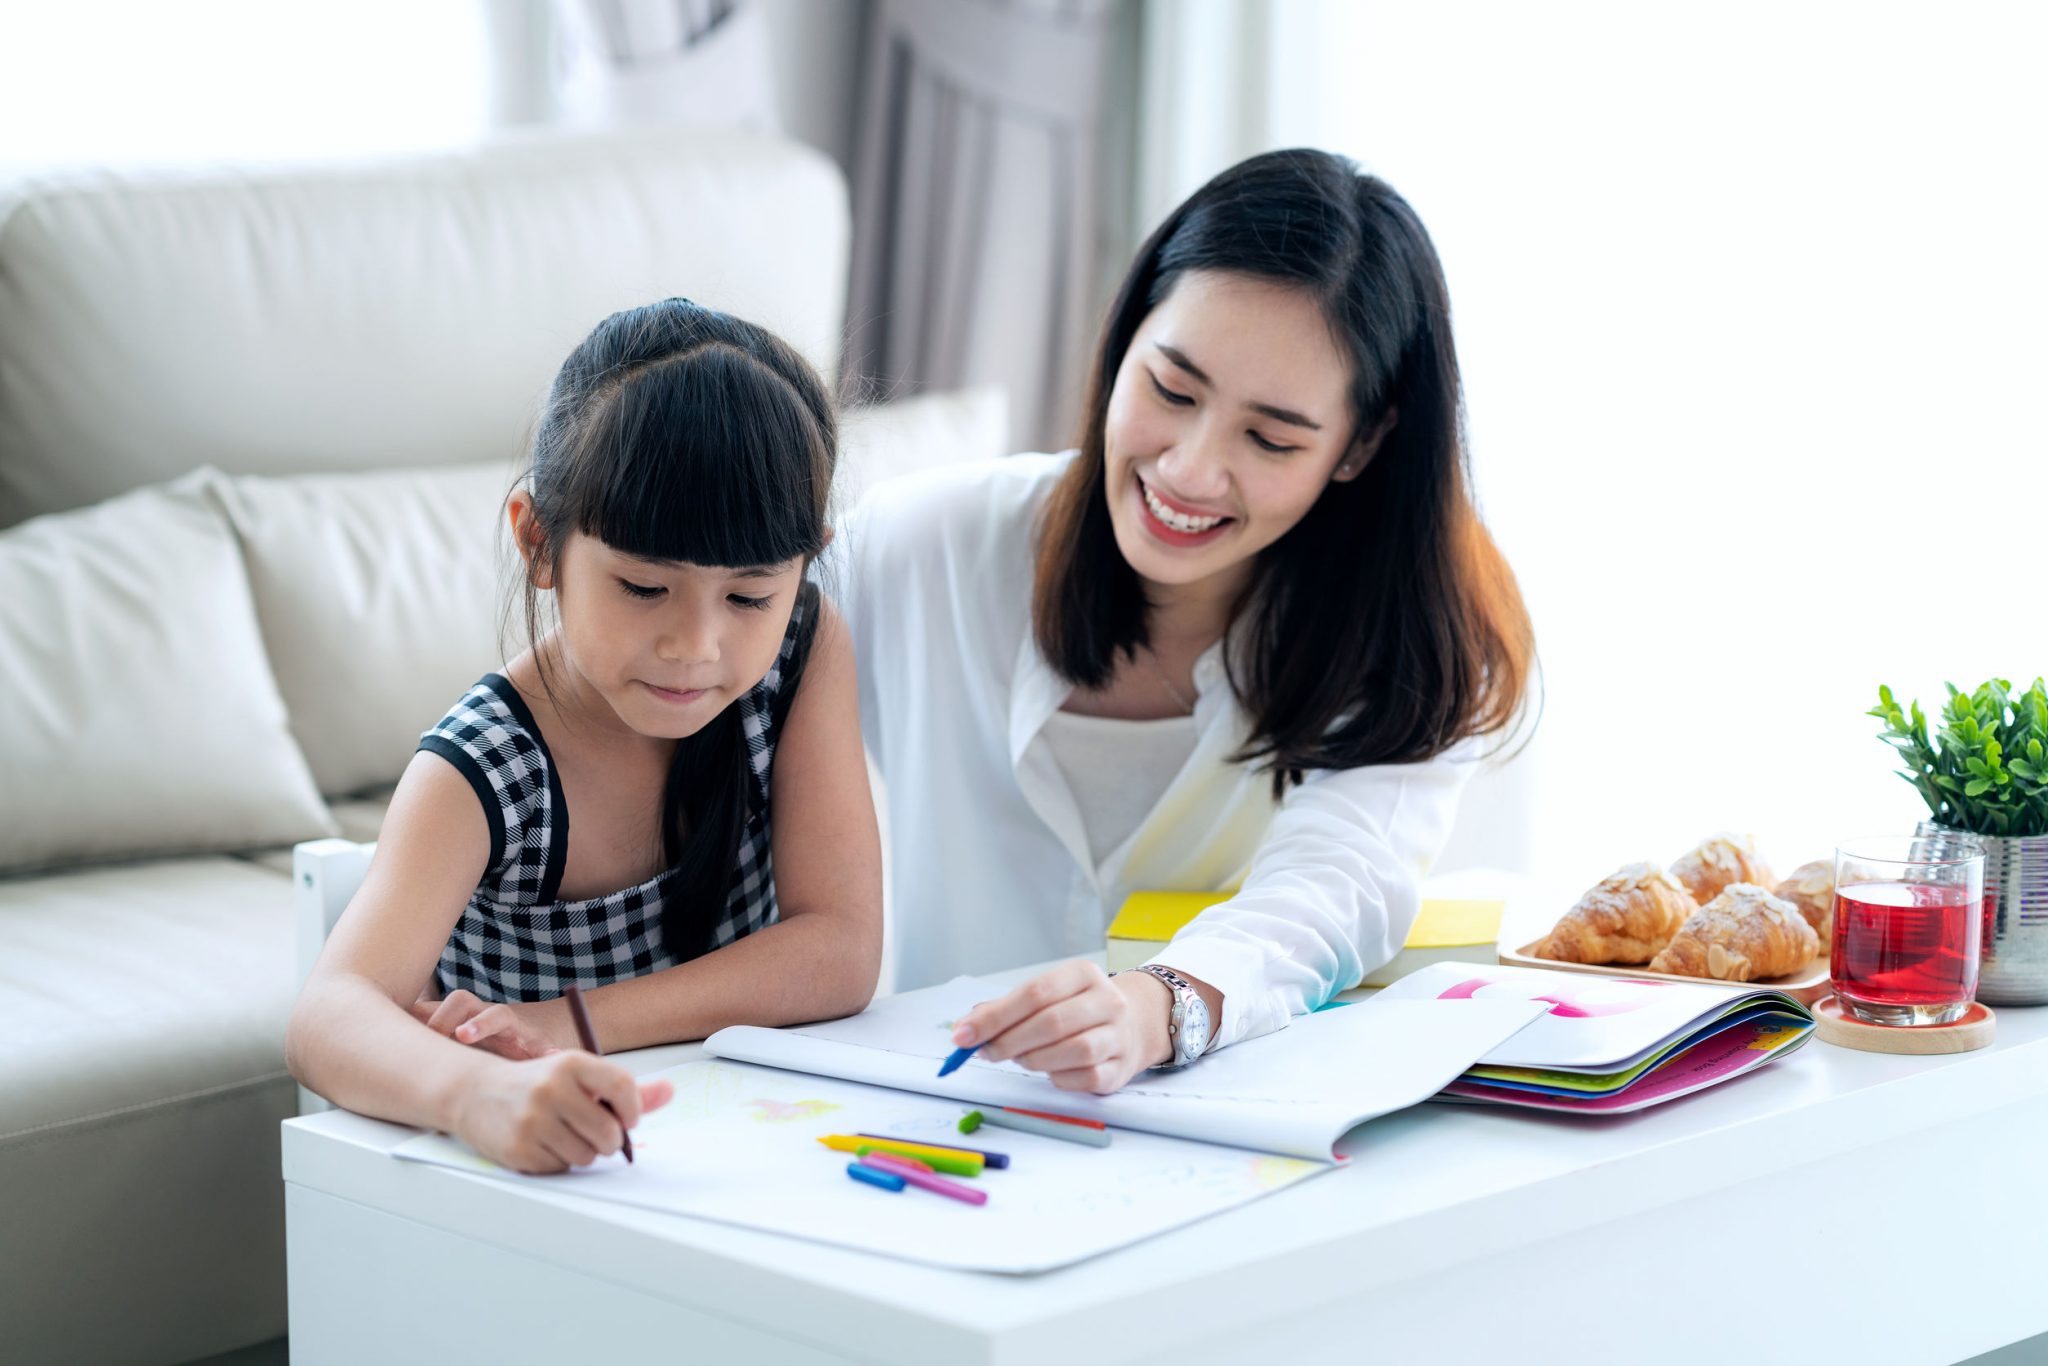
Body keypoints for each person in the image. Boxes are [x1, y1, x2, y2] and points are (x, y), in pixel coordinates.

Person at [834, 149, 1534, 1093]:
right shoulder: (924, 549)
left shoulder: (1410, 643)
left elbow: (1336, 886)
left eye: (1271, 438)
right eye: (1171, 391)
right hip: (926, 1124)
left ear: (1360, 446)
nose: (1191, 472)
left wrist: (1160, 1005)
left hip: (1226, 1159)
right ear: (1124, 342)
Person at [287, 299, 882, 1171]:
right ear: (539, 543)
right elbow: (327, 1017)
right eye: (644, 588)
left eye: (750, 596)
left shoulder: (802, 647)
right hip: (548, 1179)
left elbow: (839, 950)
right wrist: (477, 1090)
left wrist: (570, 1024)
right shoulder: (484, 769)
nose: (695, 647)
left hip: (741, 1149)